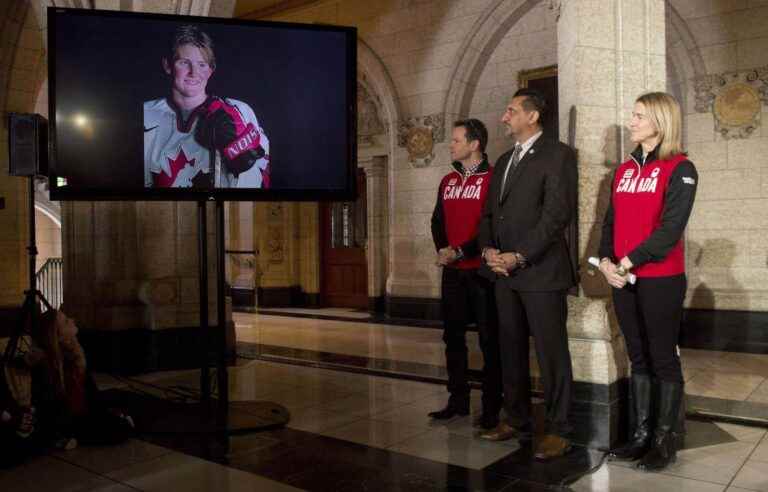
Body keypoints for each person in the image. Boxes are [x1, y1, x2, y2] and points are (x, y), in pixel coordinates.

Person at [598, 92, 697, 472]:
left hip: (661, 279)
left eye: (639, 116)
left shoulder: (681, 167)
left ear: (660, 121)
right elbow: (611, 224)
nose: (632, 122)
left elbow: (669, 230)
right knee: (637, 356)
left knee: (662, 359)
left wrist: (626, 262)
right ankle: (639, 436)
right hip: (623, 277)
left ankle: (663, 440)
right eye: (633, 115)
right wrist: (607, 262)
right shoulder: (623, 171)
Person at [477, 88, 577, 461]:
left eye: (511, 111)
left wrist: (518, 255)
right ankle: (515, 419)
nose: (504, 117)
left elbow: (556, 216)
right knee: (510, 350)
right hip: (504, 275)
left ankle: (560, 429)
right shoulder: (502, 162)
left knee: (552, 354)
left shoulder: (558, 155)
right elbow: (489, 215)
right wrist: (489, 250)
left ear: (532, 116)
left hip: (541, 273)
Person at [429, 119, 503, 430]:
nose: (451, 144)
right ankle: (457, 400)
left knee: (490, 340)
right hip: (453, 274)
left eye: (457, 140)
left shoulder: (493, 178)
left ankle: (491, 408)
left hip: (482, 273)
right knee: (453, 339)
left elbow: (493, 226)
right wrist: (445, 250)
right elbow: (437, 221)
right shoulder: (447, 181)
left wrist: (462, 251)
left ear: (474, 144)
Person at [144, 25, 270, 189]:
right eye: (184, 63)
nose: (193, 72)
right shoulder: (146, 114)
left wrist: (241, 151)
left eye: (202, 64)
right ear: (168, 65)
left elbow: (262, 181)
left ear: (211, 70)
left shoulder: (240, 111)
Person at [27, 309, 134, 448]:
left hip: (80, 414)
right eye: (66, 322)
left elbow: (91, 395)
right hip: (64, 419)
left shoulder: (73, 355)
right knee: (118, 427)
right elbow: (51, 406)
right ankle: (72, 437)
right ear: (57, 336)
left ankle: (80, 435)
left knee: (119, 416)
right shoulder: (46, 365)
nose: (72, 320)